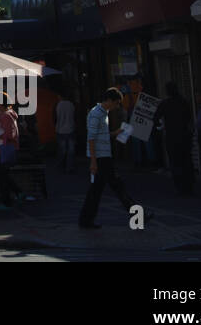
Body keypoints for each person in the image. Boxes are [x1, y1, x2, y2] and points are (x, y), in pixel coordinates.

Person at [79, 88, 139, 229]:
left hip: (103, 157)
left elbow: (100, 136)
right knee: (117, 187)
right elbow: (91, 138)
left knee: (97, 191)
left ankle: (85, 220)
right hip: (100, 158)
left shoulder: (103, 113)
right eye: (117, 103)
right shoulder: (96, 114)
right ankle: (138, 217)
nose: (117, 107)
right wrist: (93, 162)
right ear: (110, 101)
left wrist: (116, 133)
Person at [158, 83, 194, 195]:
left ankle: (180, 186)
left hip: (171, 136)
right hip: (184, 135)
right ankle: (189, 184)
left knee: (175, 162)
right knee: (186, 160)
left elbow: (156, 117)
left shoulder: (165, 103)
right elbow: (189, 117)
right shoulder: (183, 102)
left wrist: (162, 125)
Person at [55, 92, 76, 174]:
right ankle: (69, 167)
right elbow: (74, 116)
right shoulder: (71, 105)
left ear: (60, 96)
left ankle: (61, 164)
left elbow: (55, 117)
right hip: (70, 129)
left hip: (60, 129)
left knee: (62, 149)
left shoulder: (58, 105)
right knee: (71, 150)